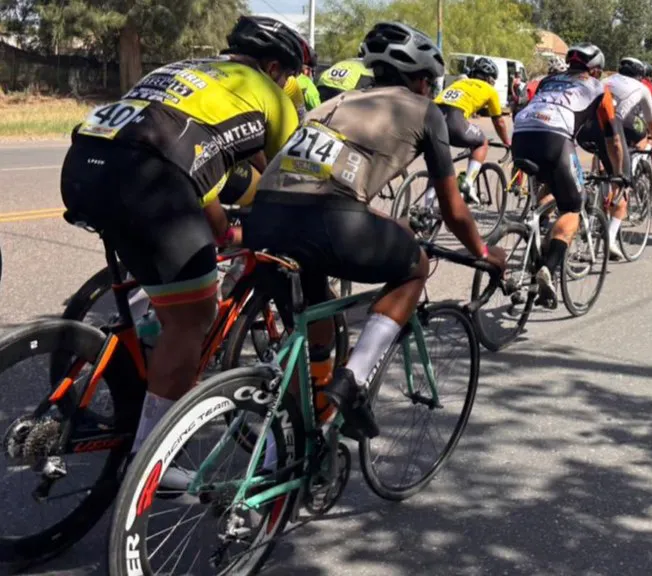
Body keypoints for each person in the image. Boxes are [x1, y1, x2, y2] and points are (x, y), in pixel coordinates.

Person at [59, 15, 306, 469]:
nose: (287, 84)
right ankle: (151, 459)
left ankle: (140, 357)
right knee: (193, 317)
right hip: (149, 175)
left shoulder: (185, 70)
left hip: (82, 166)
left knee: (170, 273)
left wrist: (221, 226)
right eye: (288, 75)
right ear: (275, 69)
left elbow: (206, 165)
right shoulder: (272, 95)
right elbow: (294, 178)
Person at [246, 21, 506, 440]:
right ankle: (353, 382)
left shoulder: (337, 101)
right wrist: (482, 251)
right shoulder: (425, 110)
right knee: (414, 265)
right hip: (330, 220)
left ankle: (291, 453)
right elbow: (453, 208)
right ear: (423, 81)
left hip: (264, 218)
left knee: (317, 326)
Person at [512, 42, 625, 306]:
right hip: (555, 139)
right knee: (574, 206)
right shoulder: (599, 88)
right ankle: (548, 268)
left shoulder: (547, 81)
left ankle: (536, 229)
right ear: (596, 70)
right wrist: (618, 174)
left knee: (550, 186)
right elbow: (614, 140)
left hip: (521, 136)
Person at [578, 56, 652, 261]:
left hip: (585, 131)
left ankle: (590, 205)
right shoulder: (643, 88)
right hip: (611, 130)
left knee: (603, 169)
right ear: (641, 76)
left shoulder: (605, 80)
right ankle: (610, 239)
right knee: (622, 183)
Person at [431, 57, 512, 204]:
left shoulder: (460, 82)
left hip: (431, 116)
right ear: (489, 78)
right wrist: (507, 142)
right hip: (454, 120)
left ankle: (426, 210)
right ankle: (468, 182)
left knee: (436, 168)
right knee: (482, 142)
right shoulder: (490, 90)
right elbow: (498, 121)